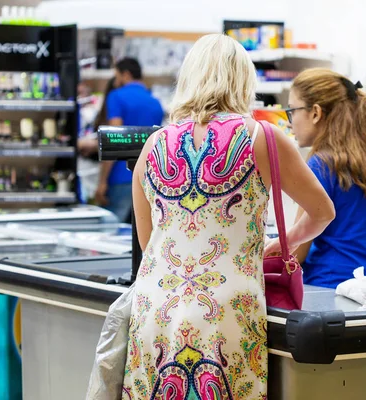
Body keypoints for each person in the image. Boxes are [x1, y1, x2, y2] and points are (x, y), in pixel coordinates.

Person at [122, 34, 335, 399]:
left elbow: (149, 243)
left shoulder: (152, 145)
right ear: (242, 80)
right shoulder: (261, 138)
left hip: (157, 310)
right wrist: (285, 241)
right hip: (226, 313)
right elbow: (322, 211)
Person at [287, 68, 366, 289]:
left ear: (315, 113)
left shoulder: (321, 165)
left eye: (292, 110)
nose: (290, 122)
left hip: (325, 295)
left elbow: (295, 254)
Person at [95, 58, 165, 223]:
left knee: (111, 229)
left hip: (120, 175)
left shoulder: (116, 96)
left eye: (117, 75)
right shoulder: (155, 102)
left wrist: (102, 181)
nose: (116, 80)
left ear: (126, 75)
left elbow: (115, 140)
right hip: (149, 176)